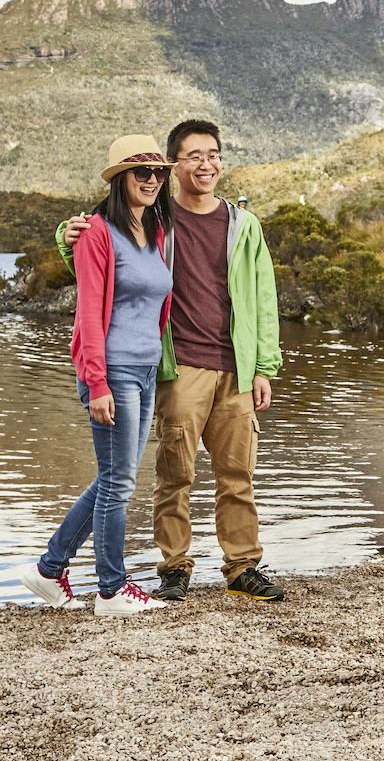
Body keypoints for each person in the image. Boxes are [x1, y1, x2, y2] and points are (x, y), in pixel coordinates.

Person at [60, 119, 284, 603]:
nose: (206, 164)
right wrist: (66, 233)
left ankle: (242, 568)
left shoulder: (244, 225)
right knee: (174, 472)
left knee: (237, 474)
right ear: (174, 165)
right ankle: (174, 568)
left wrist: (265, 365)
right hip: (181, 366)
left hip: (238, 369)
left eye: (214, 154)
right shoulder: (155, 221)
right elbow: (103, 256)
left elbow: (265, 298)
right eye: (194, 156)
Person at [22, 135, 175, 616]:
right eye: (141, 172)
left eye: (158, 172)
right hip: (112, 370)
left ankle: (49, 569)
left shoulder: (156, 234)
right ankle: (111, 589)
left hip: (146, 369)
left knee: (116, 479)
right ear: (119, 179)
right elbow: (88, 312)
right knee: (118, 483)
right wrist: (97, 383)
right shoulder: (96, 232)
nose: (152, 179)